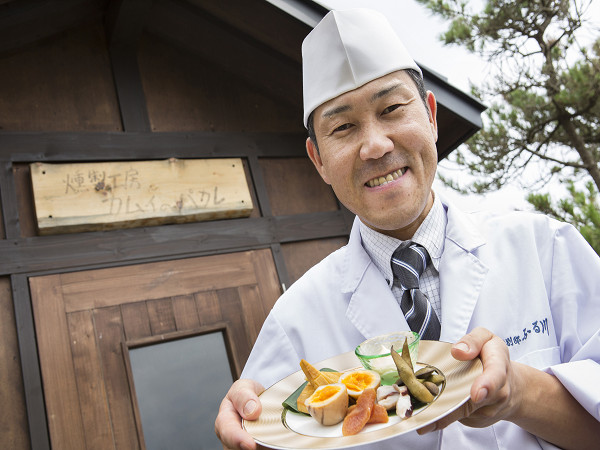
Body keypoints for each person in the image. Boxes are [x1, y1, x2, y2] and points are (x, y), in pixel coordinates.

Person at [215, 8, 600, 450]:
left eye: (392, 108)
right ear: (318, 159)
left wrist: (521, 391)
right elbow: (266, 428)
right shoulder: (293, 321)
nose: (376, 145)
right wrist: (248, 430)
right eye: (343, 127)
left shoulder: (544, 247)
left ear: (431, 116)